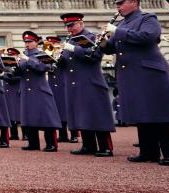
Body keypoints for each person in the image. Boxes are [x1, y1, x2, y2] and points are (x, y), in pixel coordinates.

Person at [100, 0, 169, 165]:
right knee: (141, 113)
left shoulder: (147, 18)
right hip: (131, 73)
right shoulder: (122, 24)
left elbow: (148, 37)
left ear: (134, 2)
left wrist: (117, 31)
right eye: (117, 4)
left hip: (149, 72)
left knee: (160, 113)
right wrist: (102, 41)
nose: (118, 7)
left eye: (121, 3)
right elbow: (111, 48)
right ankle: (148, 152)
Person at [58, 13, 116, 156]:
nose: (69, 29)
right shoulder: (70, 39)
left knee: (97, 114)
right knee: (82, 114)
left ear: (81, 23)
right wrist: (57, 59)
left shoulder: (91, 37)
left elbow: (94, 55)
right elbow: (68, 62)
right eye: (67, 26)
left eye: (72, 25)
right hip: (75, 83)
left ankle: (105, 147)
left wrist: (73, 49)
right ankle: (88, 145)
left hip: (90, 82)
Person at [15, 31, 60, 152]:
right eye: (26, 42)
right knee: (29, 116)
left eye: (30, 42)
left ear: (36, 42)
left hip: (40, 89)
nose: (27, 44)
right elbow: (19, 73)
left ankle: (51, 144)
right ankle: (33, 143)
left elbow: (43, 68)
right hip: (26, 89)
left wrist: (28, 60)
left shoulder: (42, 54)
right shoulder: (23, 55)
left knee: (46, 117)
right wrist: (13, 66)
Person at [45, 36, 77, 143]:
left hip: (63, 83)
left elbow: (66, 64)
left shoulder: (64, 53)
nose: (50, 46)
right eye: (49, 45)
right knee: (58, 111)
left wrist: (59, 54)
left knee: (68, 110)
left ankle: (74, 135)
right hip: (53, 85)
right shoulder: (48, 55)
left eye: (53, 44)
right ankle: (62, 134)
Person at [1, 48, 22, 141]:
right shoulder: (5, 65)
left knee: (20, 113)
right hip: (7, 91)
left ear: (16, 55)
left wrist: (5, 77)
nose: (10, 57)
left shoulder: (20, 64)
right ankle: (14, 134)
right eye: (9, 55)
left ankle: (25, 134)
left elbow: (19, 77)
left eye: (12, 55)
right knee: (10, 113)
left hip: (17, 90)